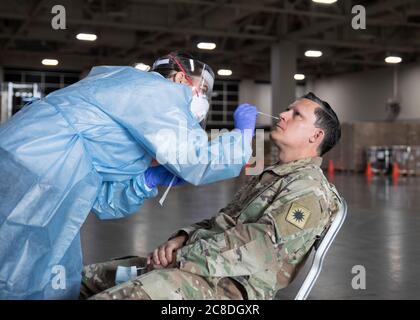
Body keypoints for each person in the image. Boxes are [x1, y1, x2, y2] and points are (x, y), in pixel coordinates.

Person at [0, 51, 258, 299]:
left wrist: (146, 181)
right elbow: (198, 159)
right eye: (201, 90)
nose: (202, 99)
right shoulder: (160, 92)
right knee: (20, 270)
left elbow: (98, 196)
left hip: (35, 159)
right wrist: (242, 137)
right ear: (180, 79)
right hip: (38, 163)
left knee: (35, 266)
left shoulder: (129, 93)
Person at [80, 92, 343, 300]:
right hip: (200, 267)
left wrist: (183, 256)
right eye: (288, 108)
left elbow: (260, 249)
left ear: (315, 136)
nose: (283, 114)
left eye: (296, 114)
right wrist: (182, 238)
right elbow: (222, 222)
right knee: (83, 279)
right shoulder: (273, 176)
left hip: (229, 288)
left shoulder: (308, 190)